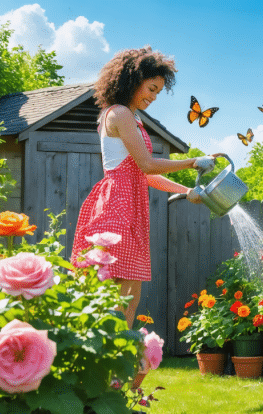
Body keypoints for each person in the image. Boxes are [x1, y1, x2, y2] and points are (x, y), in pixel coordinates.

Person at [70, 46, 216, 328]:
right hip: (117, 204)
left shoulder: (134, 118)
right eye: (150, 88)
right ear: (131, 81)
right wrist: (192, 162)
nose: (153, 97)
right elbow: (148, 164)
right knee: (115, 293)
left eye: (158, 92)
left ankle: (120, 357)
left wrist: (185, 191)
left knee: (131, 293)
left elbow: (145, 175)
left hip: (132, 204)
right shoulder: (120, 114)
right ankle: (109, 356)